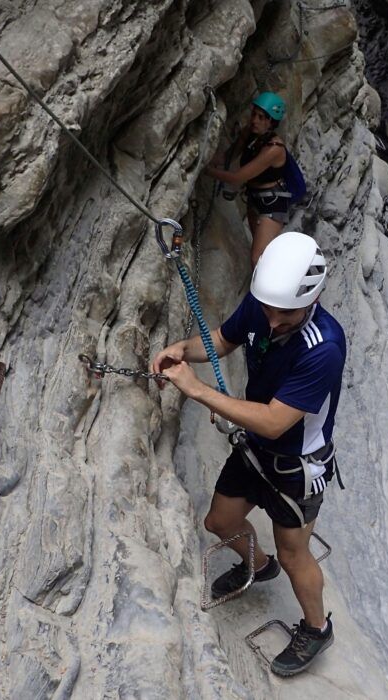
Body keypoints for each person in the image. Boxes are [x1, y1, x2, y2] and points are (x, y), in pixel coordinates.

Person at [150, 231, 346, 677]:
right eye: (271, 310)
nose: (275, 320)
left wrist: (196, 389)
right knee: (218, 522)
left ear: (312, 299)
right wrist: (183, 349)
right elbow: (221, 340)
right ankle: (259, 566)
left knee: (296, 552)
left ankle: (317, 628)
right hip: (257, 448)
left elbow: (276, 421)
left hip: (296, 465)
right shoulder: (265, 304)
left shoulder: (324, 348)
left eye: (287, 313)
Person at [209, 92, 293, 266]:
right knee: (259, 252)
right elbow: (227, 157)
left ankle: (269, 290)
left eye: (261, 117)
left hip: (273, 204)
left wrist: (206, 171)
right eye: (254, 114)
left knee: (259, 258)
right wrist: (203, 158)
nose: (255, 120)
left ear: (271, 122)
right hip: (254, 199)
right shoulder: (250, 133)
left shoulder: (274, 149)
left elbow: (237, 177)